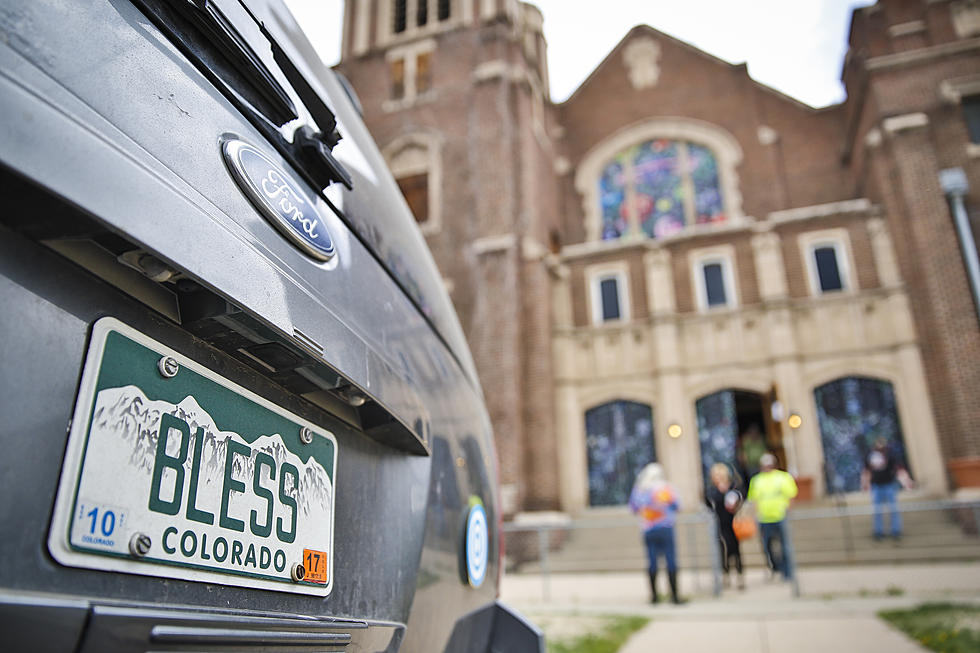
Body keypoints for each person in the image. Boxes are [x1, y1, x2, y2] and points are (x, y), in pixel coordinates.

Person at [629, 463, 685, 604]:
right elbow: (678, 505)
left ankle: (654, 597)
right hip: (666, 528)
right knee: (670, 560)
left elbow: (633, 508)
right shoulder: (666, 488)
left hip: (648, 529)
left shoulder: (640, 489)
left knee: (652, 561)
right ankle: (675, 596)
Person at [746, 453, 798, 581]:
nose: (767, 467)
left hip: (780, 516)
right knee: (767, 546)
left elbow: (791, 495)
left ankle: (787, 572)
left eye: (769, 464)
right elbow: (754, 499)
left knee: (784, 545)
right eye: (764, 465)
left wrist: (787, 511)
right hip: (764, 518)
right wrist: (755, 515)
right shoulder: (757, 480)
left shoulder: (783, 477)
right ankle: (776, 567)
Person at [861, 437, 913, 540]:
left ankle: (896, 530)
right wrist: (865, 484)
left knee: (893, 508)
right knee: (877, 510)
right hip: (876, 486)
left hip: (889, 485)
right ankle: (878, 531)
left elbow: (899, 470)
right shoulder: (870, 456)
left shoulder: (890, 456)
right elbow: (866, 471)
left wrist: (906, 483)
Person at [704, 463, 745, 589]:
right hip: (719, 524)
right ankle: (725, 574)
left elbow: (739, 499)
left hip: (733, 523)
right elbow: (708, 504)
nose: (717, 478)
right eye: (715, 476)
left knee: (735, 550)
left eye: (719, 475)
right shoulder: (712, 491)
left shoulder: (733, 488)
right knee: (722, 550)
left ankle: (739, 575)